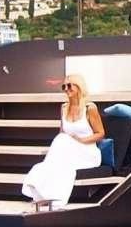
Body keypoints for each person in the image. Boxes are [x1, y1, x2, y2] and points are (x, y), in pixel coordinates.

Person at [20, 76, 105, 211]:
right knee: (61, 143)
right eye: (64, 86)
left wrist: (80, 140)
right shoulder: (63, 108)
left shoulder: (90, 108)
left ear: (79, 87)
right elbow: (62, 132)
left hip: (87, 151)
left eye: (70, 86)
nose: (66, 89)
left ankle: (50, 196)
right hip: (69, 151)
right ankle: (46, 195)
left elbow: (100, 134)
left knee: (62, 142)